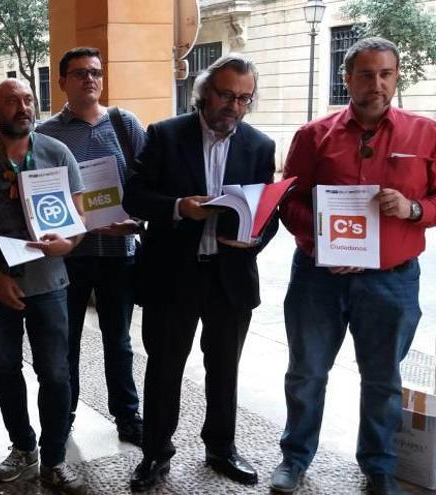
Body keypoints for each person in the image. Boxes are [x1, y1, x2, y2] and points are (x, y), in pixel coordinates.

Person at [270, 37, 436, 495]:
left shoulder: (426, 133)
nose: (376, 83)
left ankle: (379, 466)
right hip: (318, 278)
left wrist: (413, 209)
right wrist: (323, 244)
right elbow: (290, 202)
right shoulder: (313, 135)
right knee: (306, 372)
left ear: (397, 76)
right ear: (347, 79)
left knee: (383, 378)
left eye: (385, 73)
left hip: (392, 280)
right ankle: (295, 458)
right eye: (365, 74)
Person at [123, 53, 278, 491]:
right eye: (226, 94)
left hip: (229, 277)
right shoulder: (166, 135)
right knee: (165, 367)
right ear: (205, 92)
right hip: (173, 275)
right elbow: (134, 196)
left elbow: (269, 213)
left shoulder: (260, 146)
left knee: (225, 368)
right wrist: (176, 207)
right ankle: (155, 453)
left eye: (244, 98)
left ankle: (221, 448)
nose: (234, 105)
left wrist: (254, 240)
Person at [0, 79, 88, 495]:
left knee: (55, 372)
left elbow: (77, 219)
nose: (22, 107)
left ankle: (53, 459)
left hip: (49, 283)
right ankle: (23, 448)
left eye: (28, 99)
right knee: (8, 370)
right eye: (11, 100)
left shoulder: (56, 153)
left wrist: (68, 243)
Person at [36, 46, 146, 446]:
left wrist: (138, 223)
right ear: (62, 81)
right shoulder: (45, 135)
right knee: (65, 342)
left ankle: (128, 417)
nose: (90, 79)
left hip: (119, 254)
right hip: (69, 257)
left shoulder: (124, 123)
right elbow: (37, 193)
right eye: (80, 73)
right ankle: (63, 414)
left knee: (118, 341)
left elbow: (148, 182)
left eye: (96, 72)